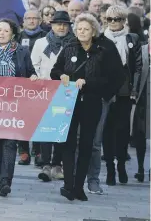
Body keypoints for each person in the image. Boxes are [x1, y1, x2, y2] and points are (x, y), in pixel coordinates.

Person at [51, 13, 124, 201]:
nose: (82, 32)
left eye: (86, 29)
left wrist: (90, 84)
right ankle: (68, 185)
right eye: (79, 29)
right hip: (68, 102)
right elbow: (55, 70)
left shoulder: (102, 50)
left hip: (92, 102)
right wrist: (62, 76)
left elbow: (114, 77)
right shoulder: (69, 47)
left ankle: (79, 187)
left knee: (86, 144)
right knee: (68, 143)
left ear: (93, 31)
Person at [0, 18, 38, 197]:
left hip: (13, 105)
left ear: (12, 34)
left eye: (5, 31)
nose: (1, 33)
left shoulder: (21, 51)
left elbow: (30, 71)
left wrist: (33, 77)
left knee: (10, 143)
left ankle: (5, 181)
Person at [31, 11, 74, 182]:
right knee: (46, 129)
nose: (61, 27)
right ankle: (46, 164)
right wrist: (38, 81)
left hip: (66, 92)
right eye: (58, 24)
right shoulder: (41, 43)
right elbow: (34, 65)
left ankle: (57, 164)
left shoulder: (73, 43)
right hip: (45, 90)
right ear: (51, 25)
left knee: (62, 129)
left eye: (64, 24)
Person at [102, 5, 142, 186]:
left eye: (117, 19)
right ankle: (110, 167)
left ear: (123, 21)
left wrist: (135, 88)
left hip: (125, 91)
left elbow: (138, 66)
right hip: (105, 91)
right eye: (110, 19)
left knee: (123, 131)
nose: (113, 23)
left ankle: (121, 166)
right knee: (106, 130)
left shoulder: (131, 38)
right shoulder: (101, 38)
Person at [17, 9, 46, 165]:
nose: (32, 21)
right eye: (29, 18)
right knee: (22, 118)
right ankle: (23, 151)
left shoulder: (45, 37)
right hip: (22, 83)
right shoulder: (18, 37)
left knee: (39, 118)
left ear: (40, 20)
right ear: (24, 20)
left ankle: (38, 150)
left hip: (40, 83)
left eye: (35, 18)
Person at [132, 33, 150, 182]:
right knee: (140, 134)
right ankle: (140, 168)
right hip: (142, 99)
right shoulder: (142, 50)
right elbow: (136, 69)